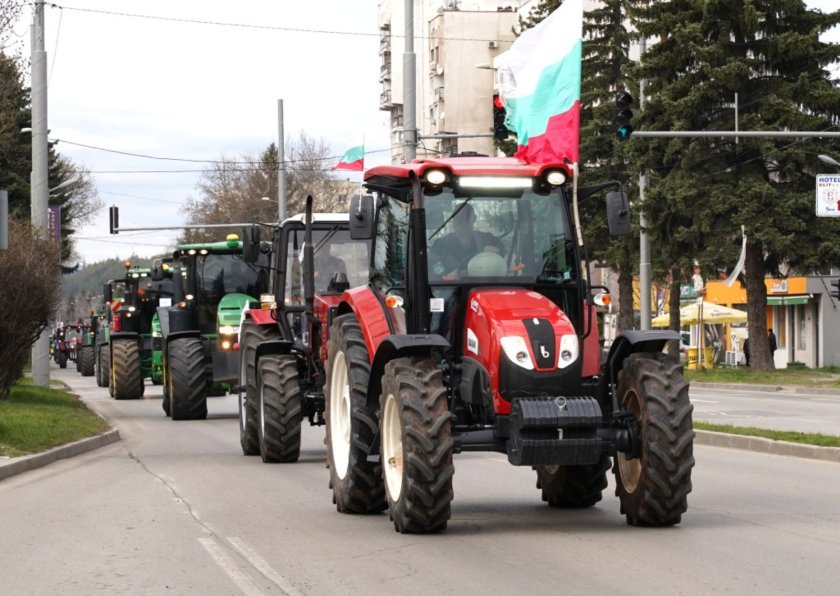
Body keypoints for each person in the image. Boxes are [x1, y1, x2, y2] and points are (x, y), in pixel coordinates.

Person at [430, 203, 503, 280]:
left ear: (473, 219)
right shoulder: (440, 244)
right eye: (455, 218)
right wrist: (444, 277)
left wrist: (496, 252)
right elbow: (431, 273)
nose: (458, 221)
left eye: (462, 218)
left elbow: (503, 255)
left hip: (483, 286)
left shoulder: (488, 240)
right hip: (450, 289)